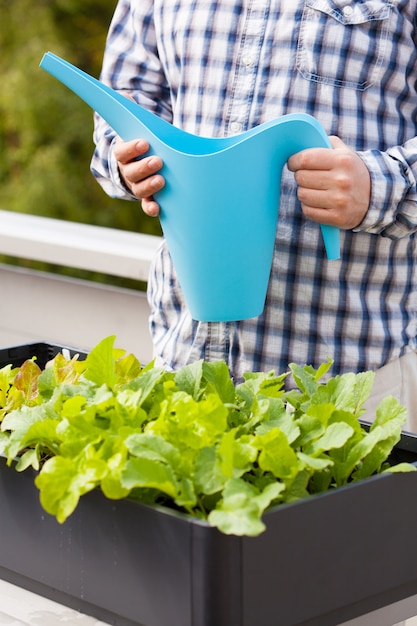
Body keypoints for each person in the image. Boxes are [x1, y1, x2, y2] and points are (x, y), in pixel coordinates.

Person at [91, 0, 417, 431]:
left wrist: (380, 186)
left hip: (349, 392)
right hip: (181, 369)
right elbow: (124, 102)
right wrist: (128, 160)